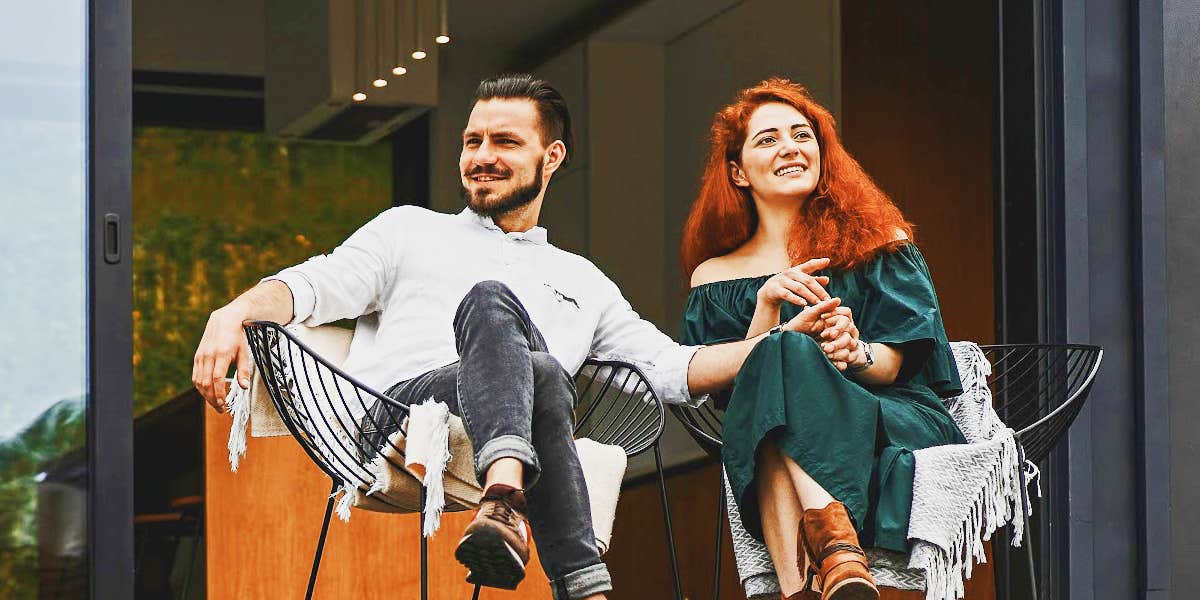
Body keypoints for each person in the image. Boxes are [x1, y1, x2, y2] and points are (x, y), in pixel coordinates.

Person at [191, 74, 847, 600]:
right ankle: (518, 510)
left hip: (518, 427)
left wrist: (773, 338)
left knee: (539, 373)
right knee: (493, 305)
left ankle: (519, 522)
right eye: (472, 142)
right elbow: (314, 286)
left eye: (503, 142)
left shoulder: (581, 280)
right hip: (398, 422)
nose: (481, 157)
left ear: (551, 156)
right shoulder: (408, 231)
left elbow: (672, 369)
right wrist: (238, 310)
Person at [679, 78, 967, 600]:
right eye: (767, 139)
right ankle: (836, 561)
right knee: (778, 363)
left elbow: (899, 366)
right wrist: (768, 310)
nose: (790, 146)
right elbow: (729, 397)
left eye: (802, 134)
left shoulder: (880, 246)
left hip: (890, 417)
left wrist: (853, 352)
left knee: (784, 365)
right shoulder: (713, 278)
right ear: (737, 171)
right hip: (770, 421)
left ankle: (818, 570)